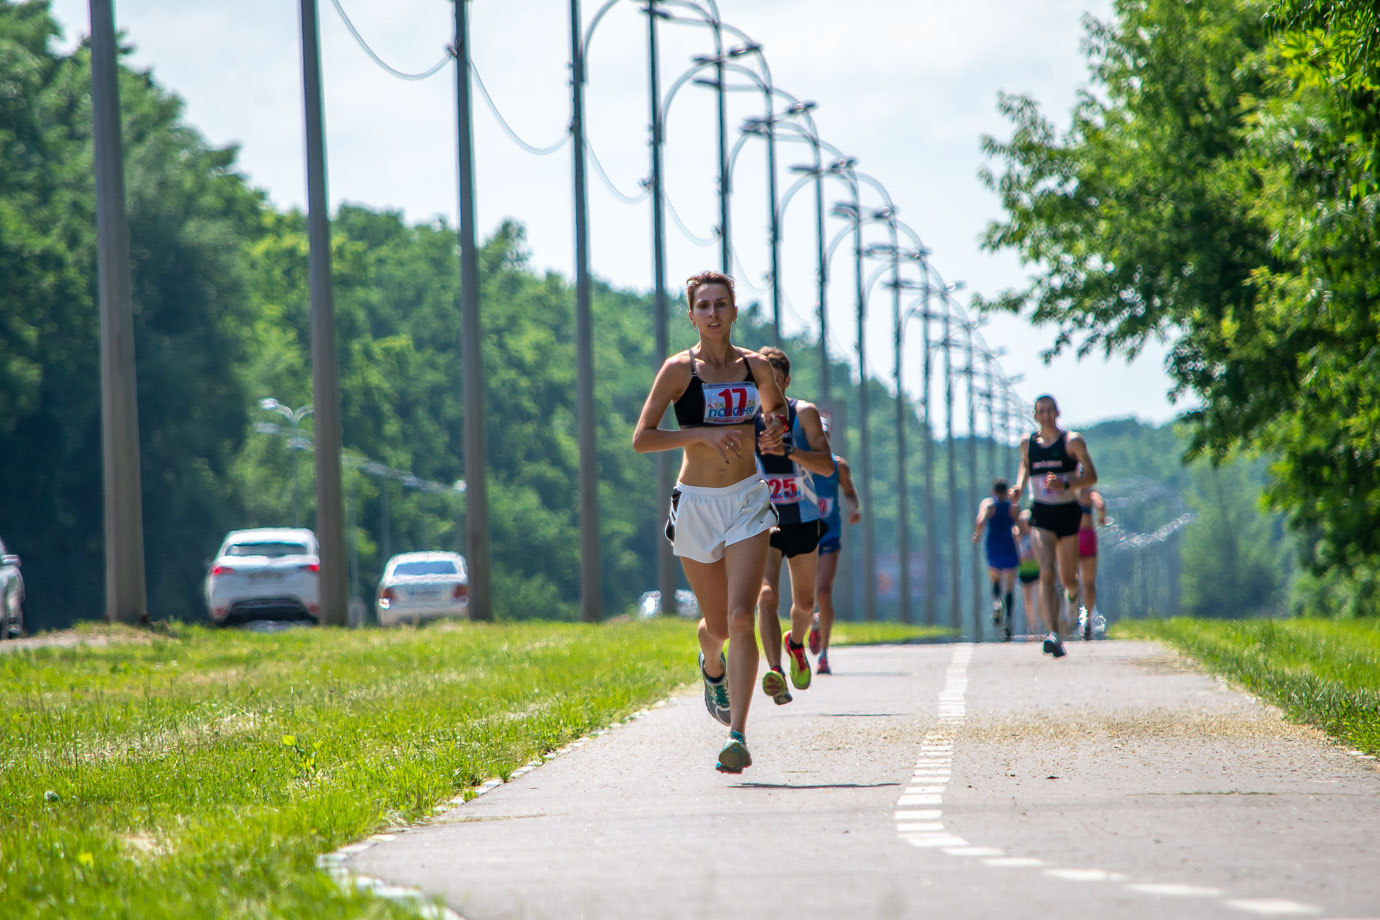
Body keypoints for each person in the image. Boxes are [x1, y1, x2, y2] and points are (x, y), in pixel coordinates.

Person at [632, 271, 787, 773]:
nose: (714, 313)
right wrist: (699, 435)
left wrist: (771, 436)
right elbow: (643, 438)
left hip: (746, 500)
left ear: (735, 312)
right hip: (696, 503)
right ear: (692, 314)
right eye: (704, 305)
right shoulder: (679, 370)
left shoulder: (756, 366)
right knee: (718, 625)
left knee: (744, 617)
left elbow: (775, 417)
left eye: (722, 304)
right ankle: (711, 665)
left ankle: (737, 735)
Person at [753, 347, 835, 703]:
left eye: (773, 379)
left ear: (785, 382)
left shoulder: (805, 414)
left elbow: (828, 466)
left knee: (804, 605)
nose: (766, 387)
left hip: (802, 517)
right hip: (762, 518)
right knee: (766, 596)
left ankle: (796, 643)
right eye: (760, 379)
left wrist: (791, 452)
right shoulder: (747, 416)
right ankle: (775, 670)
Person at [1012, 394, 1098, 658]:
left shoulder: (1072, 442)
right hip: (1041, 515)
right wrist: (1018, 488)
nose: (1046, 415)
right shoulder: (1028, 444)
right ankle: (1054, 634)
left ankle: (1073, 598)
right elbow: (1024, 470)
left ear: (1057, 413)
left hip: (1068, 513)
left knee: (1068, 578)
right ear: (1035, 415)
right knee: (1046, 572)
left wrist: (1067, 485)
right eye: (1041, 411)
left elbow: (1092, 476)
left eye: (1050, 410)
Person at [808, 438, 861, 675]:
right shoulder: (799, 462)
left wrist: (853, 508)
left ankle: (824, 654)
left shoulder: (838, 466)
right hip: (803, 532)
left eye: (823, 435)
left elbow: (850, 492)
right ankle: (813, 621)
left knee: (824, 591)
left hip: (829, 534)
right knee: (805, 595)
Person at [972, 478, 1019, 642]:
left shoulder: (989, 505)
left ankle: (996, 603)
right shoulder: (1012, 506)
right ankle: (1008, 619)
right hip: (1009, 546)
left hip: (993, 546)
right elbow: (1020, 524)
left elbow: (980, 520)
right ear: (1006, 491)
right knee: (1010, 585)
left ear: (993, 491)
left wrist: (977, 534)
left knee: (995, 578)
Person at [1076, 485, 1108, 640]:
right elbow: (1101, 505)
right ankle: (1087, 620)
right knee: (1088, 583)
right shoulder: (1090, 493)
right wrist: (1101, 518)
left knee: (1069, 578)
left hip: (1070, 537)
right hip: (1087, 535)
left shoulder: (1067, 491)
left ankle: (1072, 610)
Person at [1014, 509, 1041, 639]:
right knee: (1028, 600)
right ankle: (1032, 626)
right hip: (1024, 571)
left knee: (1039, 598)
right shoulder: (1017, 535)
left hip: (1037, 570)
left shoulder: (1035, 535)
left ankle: (1040, 624)